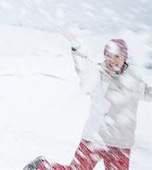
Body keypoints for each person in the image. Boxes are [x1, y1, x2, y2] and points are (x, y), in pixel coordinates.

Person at [24, 37, 152, 170]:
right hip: (95, 138)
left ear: (124, 57)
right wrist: (77, 48)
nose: (111, 60)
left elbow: (147, 93)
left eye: (116, 56)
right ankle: (41, 167)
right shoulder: (99, 73)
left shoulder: (133, 77)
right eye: (108, 56)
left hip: (121, 143)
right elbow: (83, 71)